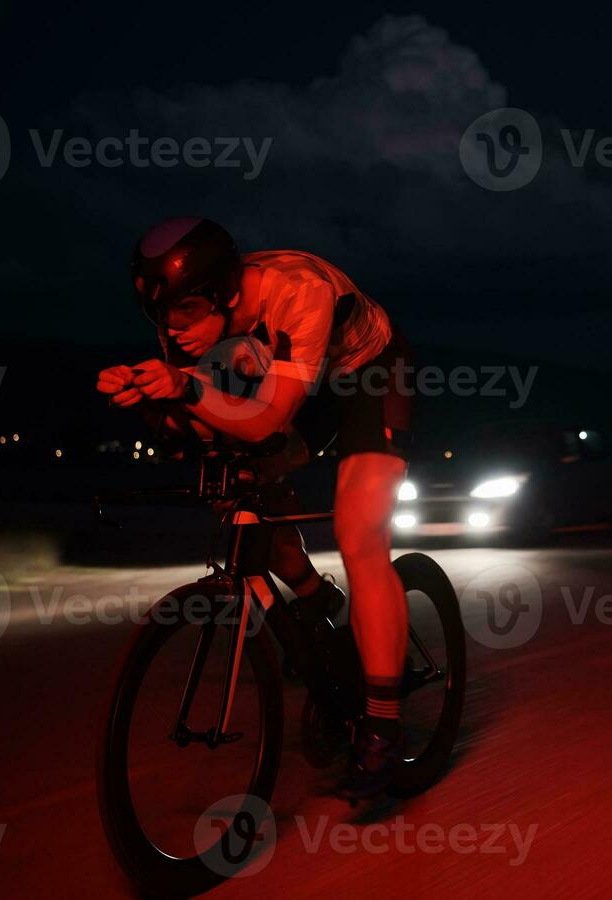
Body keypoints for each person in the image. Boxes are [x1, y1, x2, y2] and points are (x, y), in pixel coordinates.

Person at [95, 216, 411, 800]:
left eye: (187, 312)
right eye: (162, 317)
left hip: (366, 376)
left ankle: (384, 727)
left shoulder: (300, 292)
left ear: (227, 294)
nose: (175, 329)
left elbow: (266, 417)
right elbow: (201, 425)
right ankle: (319, 604)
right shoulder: (188, 321)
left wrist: (184, 387)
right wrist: (145, 397)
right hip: (292, 379)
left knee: (360, 533)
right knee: (239, 485)